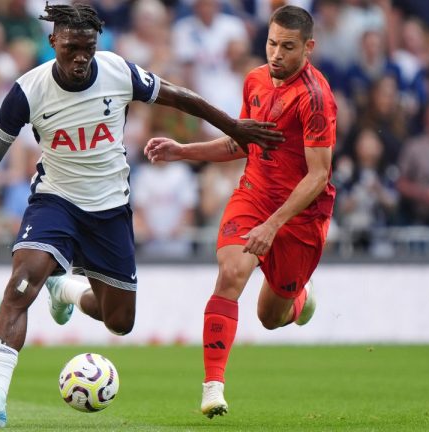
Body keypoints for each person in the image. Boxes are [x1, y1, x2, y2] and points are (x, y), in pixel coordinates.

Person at [0, 3, 281, 428]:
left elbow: (181, 97)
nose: (80, 57)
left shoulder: (116, 71)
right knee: (20, 283)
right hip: (56, 202)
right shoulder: (28, 91)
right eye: (71, 48)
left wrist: (236, 127)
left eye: (88, 47)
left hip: (109, 210)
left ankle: (66, 291)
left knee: (119, 321)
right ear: (53, 43)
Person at [144, 5, 337, 418]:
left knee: (271, 317)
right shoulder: (254, 80)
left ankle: (299, 300)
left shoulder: (316, 99)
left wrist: (274, 224)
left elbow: (318, 176)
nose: (276, 54)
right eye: (271, 43)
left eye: (287, 47)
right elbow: (241, 143)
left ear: (308, 47)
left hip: (300, 217)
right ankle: (213, 387)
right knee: (231, 272)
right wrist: (184, 151)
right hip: (253, 195)